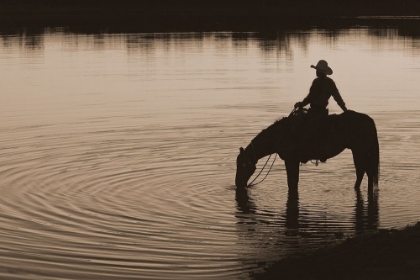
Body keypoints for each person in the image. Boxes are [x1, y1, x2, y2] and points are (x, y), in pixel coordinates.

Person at [293, 60, 348, 163]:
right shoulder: (330, 83)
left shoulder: (316, 82)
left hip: (314, 112)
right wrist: (345, 110)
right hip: (323, 113)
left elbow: (309, 98)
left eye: (317, 70)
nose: (316, 72)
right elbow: (338, 98)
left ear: (319, 72)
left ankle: (304, 153)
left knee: (302, 129)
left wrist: (300, 104)